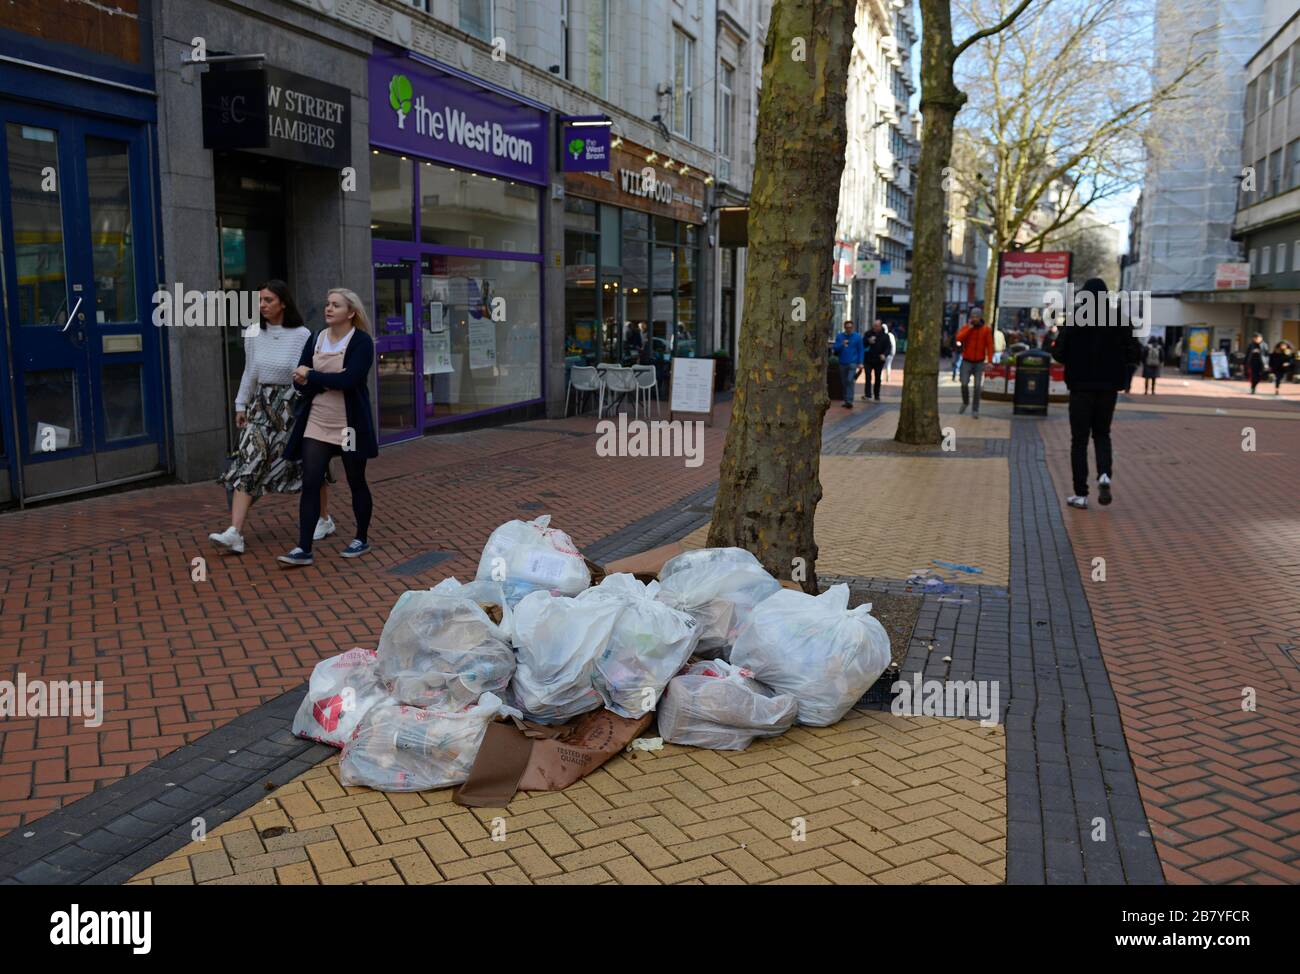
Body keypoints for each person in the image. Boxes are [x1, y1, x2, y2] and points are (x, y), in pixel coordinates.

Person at [209, 281, 324, 555]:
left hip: (291, 406)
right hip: (260, 407)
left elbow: (306, 372)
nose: (262, 306)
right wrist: (240, 405)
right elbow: (250, 372)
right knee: (249, 461)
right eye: (260, 301)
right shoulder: (252, 333)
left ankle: (323, 518)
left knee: (306, 464)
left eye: (268, 300)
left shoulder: (302, 334)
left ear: (283, 303)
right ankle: (235, 532)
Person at [279, 289, 379, 566]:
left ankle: (361, 537)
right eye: (327, 304)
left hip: (348, 424)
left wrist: (312, 376)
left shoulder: (361, 342)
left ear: (351, 312)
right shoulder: (317, 337)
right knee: (310, 481)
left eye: (336, 305)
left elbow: (350, 381)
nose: (329, 308)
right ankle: (303, 548)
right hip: (318, 420)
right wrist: (314, 378)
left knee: (355, 479)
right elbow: (300, 377)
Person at [1051, 277, 1142, 510]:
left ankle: (1080, 494)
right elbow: (1135, 353)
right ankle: (1104, 474)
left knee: (1079, 441)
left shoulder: (1075, 319)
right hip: (1108, 387)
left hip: (1080, 388)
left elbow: (1059, 354)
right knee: (1102, 434)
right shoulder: (1119, 319)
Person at [954, 307, 994, 416]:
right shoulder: (966, 327)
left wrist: (990, 361)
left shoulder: (986, 330)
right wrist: (969, 329)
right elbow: (958, 338)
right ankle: (965, 402)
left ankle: (975, 409)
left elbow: (990, 346)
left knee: (977, 387)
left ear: (980, 317)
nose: (975, 318)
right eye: (973, 316)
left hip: (979, 362)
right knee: (964, 383)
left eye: (977, 316)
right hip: (967, 361)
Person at [832, 320, 864, 408]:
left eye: (850, 327)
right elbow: (835, 348)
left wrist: (860, 362)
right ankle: (846, 400)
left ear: (852, 328)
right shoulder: (840, 336)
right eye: (847, 327)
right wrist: (842, 344)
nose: (849, 329)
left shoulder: (857, 337)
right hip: (842, 362)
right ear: (844, 328)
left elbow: (860, 350)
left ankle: (850, 400)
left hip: (852, 363)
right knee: (844, 382)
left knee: (850, 380)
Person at [863, 320, 890, 401]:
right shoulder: (868, 334)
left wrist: (884, 355)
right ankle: (868, 394)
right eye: (874, 325)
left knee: (877, 378)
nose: (875, 327)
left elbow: (888, 347)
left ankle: (876, 394)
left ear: (880, 326)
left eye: (877, 326)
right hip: (868, 359)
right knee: (868, 377)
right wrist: (868, 341)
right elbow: (863, 343)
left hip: (879, 360)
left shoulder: (885, 336)